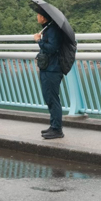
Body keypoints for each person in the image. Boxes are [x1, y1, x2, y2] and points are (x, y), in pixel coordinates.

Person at [34, 11, 65, 139]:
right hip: (48, 68)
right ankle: (53, 126)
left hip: (52, 69)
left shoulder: (52, 30)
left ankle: (57, 129)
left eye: (38, 15)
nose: (36, 17)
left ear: (43, 17)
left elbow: (52, 48)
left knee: (52, 98)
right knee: (49, 98)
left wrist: (39, 41)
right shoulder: (48, 29)